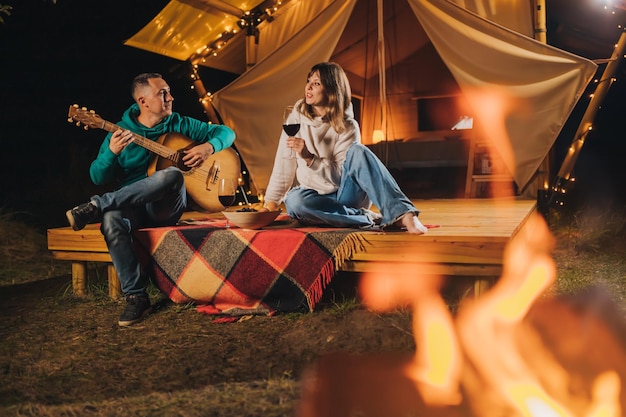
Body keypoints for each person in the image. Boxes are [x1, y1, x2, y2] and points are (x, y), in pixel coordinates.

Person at [66, 72, 236, 326]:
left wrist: (207, 147)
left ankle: (95, 206)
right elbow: (97, 176)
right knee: (112, 219)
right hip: (131, 209)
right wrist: (111, 154)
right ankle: (136, 296)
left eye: (168, 91)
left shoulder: (178, 123)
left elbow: (227, 132)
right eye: (162, 93)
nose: (170, 97)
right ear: (143, 101)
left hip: (165, 207)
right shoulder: (119, 132)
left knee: (171, 175)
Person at [262, 62, 428, 234]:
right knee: (295, 202)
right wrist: (271, 203)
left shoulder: (348, 126)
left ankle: (403, 213)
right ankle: (366, 218)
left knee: (358, 151)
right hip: (315, 198)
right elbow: (284, 164)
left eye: (317, 83)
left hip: (347, 195)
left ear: (332, 89)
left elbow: (339, 178)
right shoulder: (295, 120)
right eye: (308, 80)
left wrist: (310, 159)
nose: (309, 86)